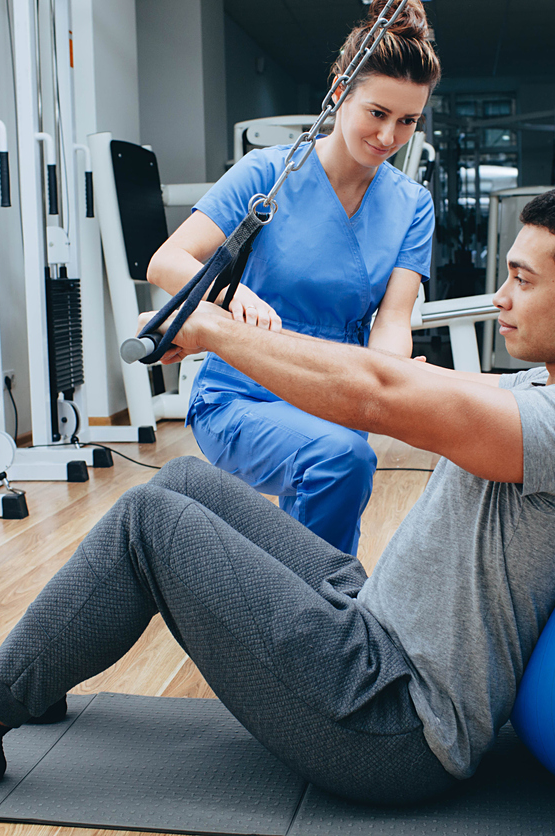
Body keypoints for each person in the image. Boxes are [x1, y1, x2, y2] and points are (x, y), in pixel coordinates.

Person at [0, 185, 555, 807]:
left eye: (523, 281)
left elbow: (380, 395)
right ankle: (29, 674)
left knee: (152, 521)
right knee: (190, 479)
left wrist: (210, 329)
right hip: (373, 618)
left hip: (392, 716)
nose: (501, 297)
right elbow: (394, 377)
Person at [145, 0, 441, 556]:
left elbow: (393, 321)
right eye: (376, 113)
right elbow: (167, 261)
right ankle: (318, 619)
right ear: (338, 95)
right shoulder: (267, 174)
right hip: (243, 392)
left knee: (337, 461)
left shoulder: (412, 205)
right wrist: (234, 295)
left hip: (338, 391)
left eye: (407, 121)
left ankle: (310, 616)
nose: (389, 136)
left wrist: (392, 375)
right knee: (339, 461)